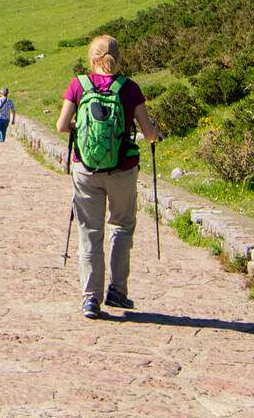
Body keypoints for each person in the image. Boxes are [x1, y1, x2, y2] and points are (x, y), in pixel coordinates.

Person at [55, 34, 161, 319]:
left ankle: (90, 297)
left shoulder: (79, 84)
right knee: (122, 226)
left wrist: (84, 127)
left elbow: (62, 126)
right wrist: (156, 135)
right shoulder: (129, 89)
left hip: (85, 169)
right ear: (118, 57)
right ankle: (118, 290)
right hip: (122, 170)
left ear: (91, 58)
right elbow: (148, 132)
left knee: (90, 232)